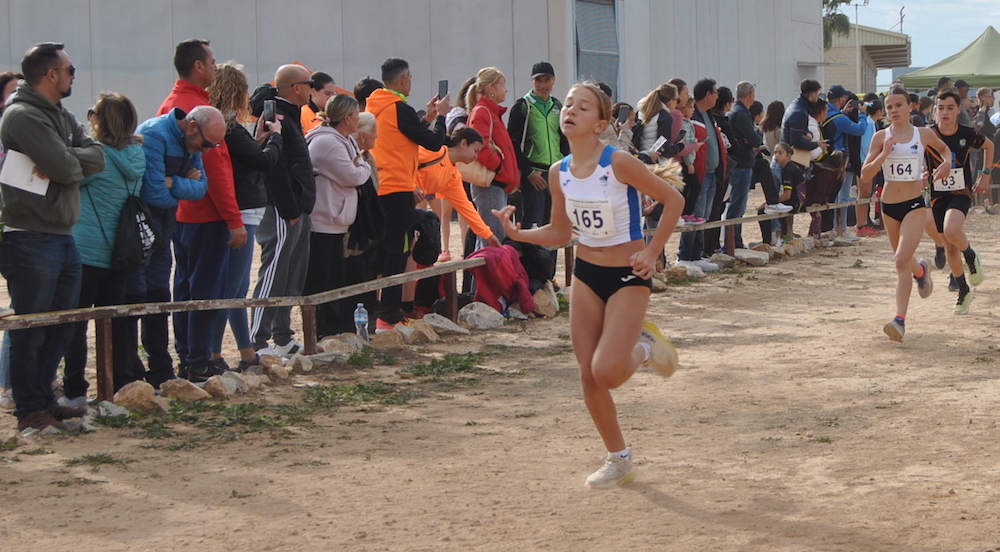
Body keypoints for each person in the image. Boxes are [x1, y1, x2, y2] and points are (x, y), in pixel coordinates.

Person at [491, 82, 682, 489]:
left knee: (607, 372)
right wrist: (519, 234)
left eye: (583, 107)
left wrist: (652, 252)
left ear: (600, 124)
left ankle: (645, 347)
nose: (570, 111)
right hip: (587, 276)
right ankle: (619, 459)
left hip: (629, 275)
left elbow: (674, 200)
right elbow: (562, 232)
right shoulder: (558, 172)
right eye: (568, 105)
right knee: (588, 376)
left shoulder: (619, 163)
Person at [0, 42, 105, 432]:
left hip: (61, 236)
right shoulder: (23, 116)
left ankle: (45, 400)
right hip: (30, 237)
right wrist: (67, 159)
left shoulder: (60, 114)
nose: (73, 75)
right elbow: (64, 167)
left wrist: (66, 158)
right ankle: (29, 409)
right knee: (31, 328)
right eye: (70, 69)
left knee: (61, 325)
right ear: (51, 75)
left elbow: (96, 156)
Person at [63, 92, 146, 404]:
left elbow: (67, 179)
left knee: (76, 325)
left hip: (86, 251)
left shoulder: (95, 156)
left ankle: (75, 390)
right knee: (113, 323)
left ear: (101, 120)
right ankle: (117, 386)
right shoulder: (137, 155)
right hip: (121, 252)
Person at [208, 61, 284, 372]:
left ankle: (223, 352)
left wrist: (260, 140)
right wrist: (276, 137)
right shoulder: (229, 126)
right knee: (234, 290)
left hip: (243, 208)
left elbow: (246, 157)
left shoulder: (222, 125)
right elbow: (262, 162)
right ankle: (242, 352)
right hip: (244, 209)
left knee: (232, 287)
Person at [860, 86, 952, 342]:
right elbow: (865, 175)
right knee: (904, 261)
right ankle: (921, 271)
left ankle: (899, 320)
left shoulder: (923, 134)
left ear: (910, 107)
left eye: (898, 105)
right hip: (889, 206)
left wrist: (946, 163)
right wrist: (884, 154)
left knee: (900, 260)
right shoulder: (881, 137)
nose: (893, 110)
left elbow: (945, 149)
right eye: (889, 107)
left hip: (914, 204)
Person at [365, 58, 449, 332]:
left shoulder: (375, 105)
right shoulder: (400, 108)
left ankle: (371, 311)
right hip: (397, 189)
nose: (411, 82)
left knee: (376, 252)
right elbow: (433, 142)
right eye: (410, 78)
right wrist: (442, 117)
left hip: (376, 186)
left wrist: (427, 118)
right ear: (403, 80)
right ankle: (388, 314)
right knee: (397, 253)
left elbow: (402, 134)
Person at [248, 64, 316, 357]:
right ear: (296, 88)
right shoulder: (275, 117)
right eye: (309, 84)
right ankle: (258, 341)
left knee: (292, 275)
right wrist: (289, 209)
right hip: (280, 208)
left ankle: (283, 336)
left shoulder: (290, 115)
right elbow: (273, 168)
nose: (312, 89)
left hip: (296, 207)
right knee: (274, 272)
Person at [303, 94, 371, 338]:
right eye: (356, 114)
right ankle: (320, 332)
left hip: (336, 222)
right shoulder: (328, 143)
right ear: (346, 118)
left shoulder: (343, 139)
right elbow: (354, 175)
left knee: (335, 278)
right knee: (321, 280)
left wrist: (359, 164)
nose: (359, 119)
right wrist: (364, 165)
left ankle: (333, 329)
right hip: (322, 223)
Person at [926, 88, 993, 314]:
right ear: (935, 111)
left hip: (961, 191)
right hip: (937, 195)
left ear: (958, 110)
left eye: (950, 108)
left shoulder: (967, 132)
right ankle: (963, 290)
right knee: (950, 249)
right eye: (941, 108)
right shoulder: (928, 135)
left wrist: (985, 174)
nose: (945, 112)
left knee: (951, 230)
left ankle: (971, 255)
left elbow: (989, 146)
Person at [506, 61, 569, 235]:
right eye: (538, 80)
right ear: (532, 81)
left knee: (553, 226)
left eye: (547, 80)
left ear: (553, 81)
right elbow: (513, 143)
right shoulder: (523, 106)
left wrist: (565, 167)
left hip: (555, 174)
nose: (543, 85)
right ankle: (530, 255)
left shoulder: (558, 106)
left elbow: (564, 140)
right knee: (532, 227)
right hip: (535, 175)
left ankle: (549, 255)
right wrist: (528, 172)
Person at [465, 66, 518, 249]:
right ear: (491, 89)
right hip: (489, 183)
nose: (506, 90)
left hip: (496, 182)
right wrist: (499, 168)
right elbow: (479, 147)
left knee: (493, 237)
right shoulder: (483, 111)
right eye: (502, 85)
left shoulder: (490, 112)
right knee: (493, 237)